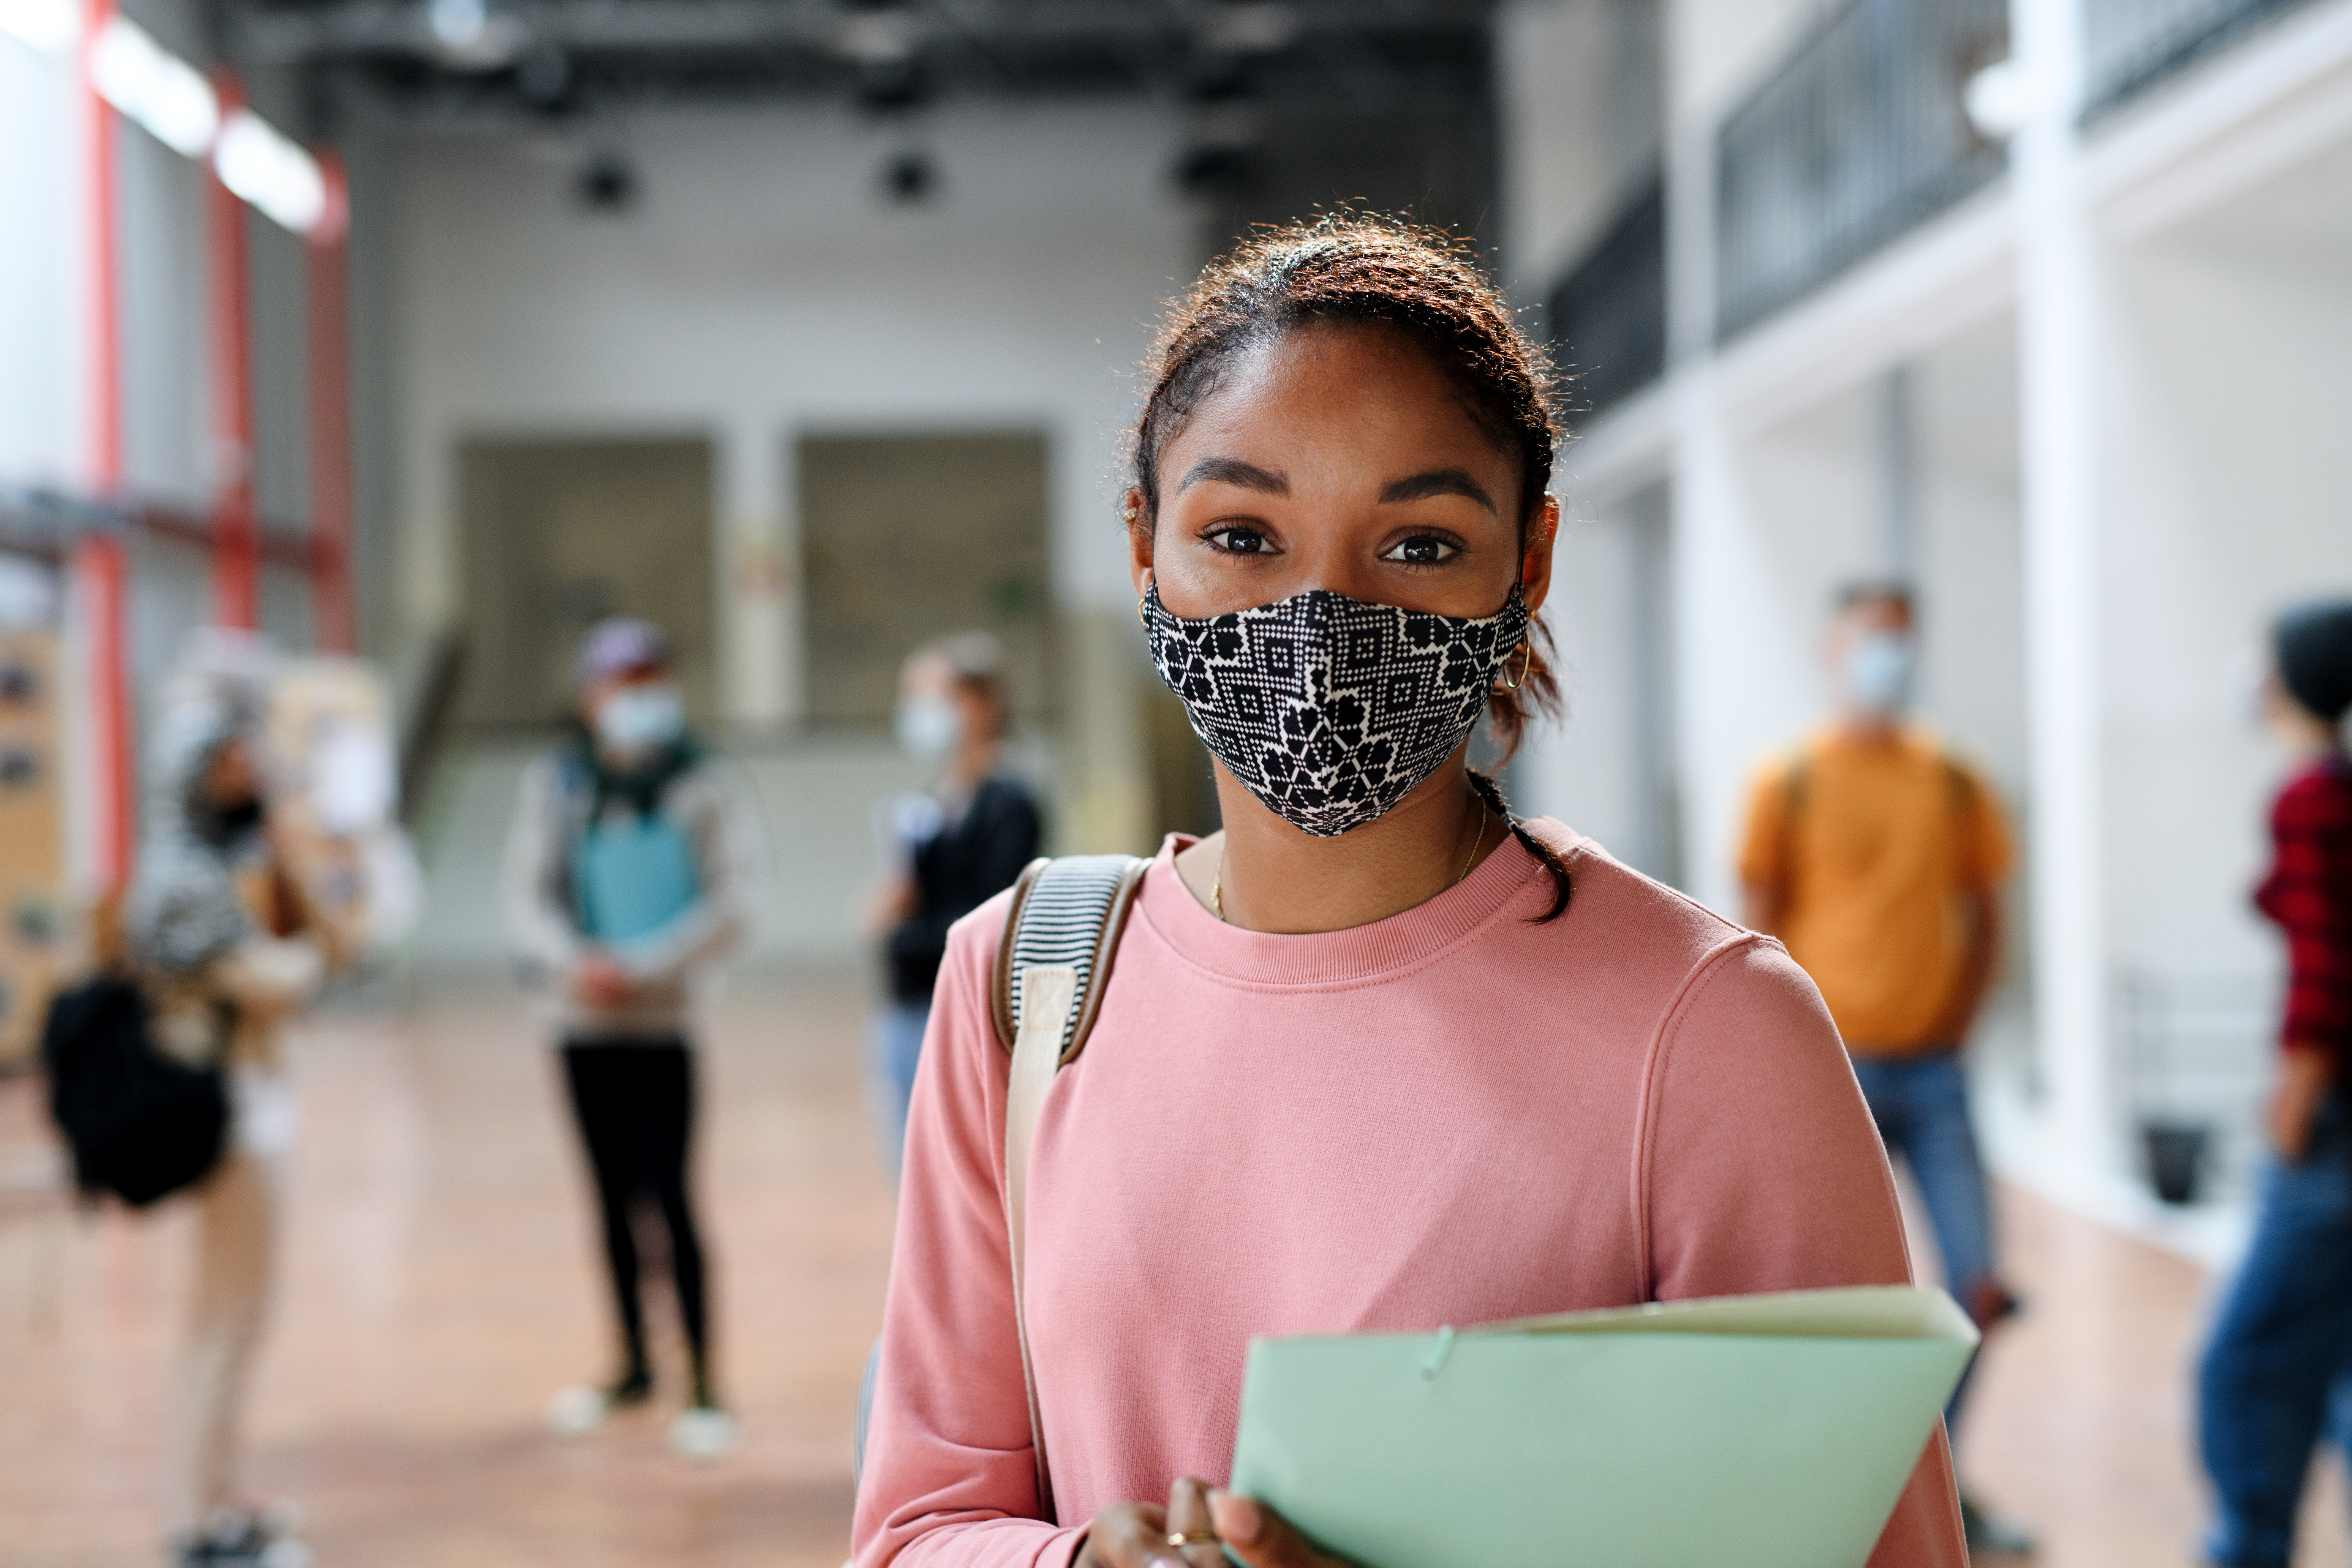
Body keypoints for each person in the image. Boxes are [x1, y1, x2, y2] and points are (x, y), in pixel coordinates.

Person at [852, 218, 1965, 1568]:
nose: (1321, 615)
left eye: (1420, 544)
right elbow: (920, 1526)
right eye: (1243, 534)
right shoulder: (1026, 982)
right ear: (1145, 548)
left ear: (1528, 561)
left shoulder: (1711, 1033)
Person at [1736, 583, 2023, 1553]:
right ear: (1832, 648)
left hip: (1938, 1070)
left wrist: (1959, 1016)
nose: (1884, 660)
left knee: (1977, 1281)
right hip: (1837, 1071)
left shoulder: (1953, 777)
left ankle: (1935, 1475)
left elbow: (1988, 916)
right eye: (1869, 642)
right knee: (1827, 1292)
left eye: (1900, 643)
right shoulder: (1790, 778)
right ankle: (1850, 1496)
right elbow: (1757, 920)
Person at [503, 617, 764, 1460]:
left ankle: (702, 1382)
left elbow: (733, 901)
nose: (637, 698)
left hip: (662, 1024)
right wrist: (571, 960)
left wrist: (645, 964)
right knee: (609, 1198)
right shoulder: (561, 783)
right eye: (621, 683)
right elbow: (529, 892)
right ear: (589, 696)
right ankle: (632, 1365)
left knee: (671, 1197)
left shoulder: (703, 783)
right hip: (580, 1023)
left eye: (650, 679)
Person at [125, 632, 336, 1568]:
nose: (244, 776)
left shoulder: (216, 863)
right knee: (227, 1318)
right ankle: (194, 1525)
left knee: (232, 1315)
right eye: (227, 762)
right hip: (229, 1122)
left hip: (250, 1103)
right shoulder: (183, 877)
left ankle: (216, 1501)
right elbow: (277, 977)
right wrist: (309, 953)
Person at [2198, 599, 2352, 1568]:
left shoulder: (2310, 798)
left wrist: (2292, 1102)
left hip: (2331, 1127)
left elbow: (2325, 977)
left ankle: (2250, 1548)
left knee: (2246, 1366)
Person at [866, 632, 1043, 1181]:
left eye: (935, 695)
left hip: (960, 1009)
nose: (922, 711)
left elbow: (988, 918)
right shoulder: (932, 799)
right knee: (912, 1173)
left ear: (982, 703)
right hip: (905, 1001)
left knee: (957, 1180)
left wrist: (903, 927)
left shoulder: (1009, 804)